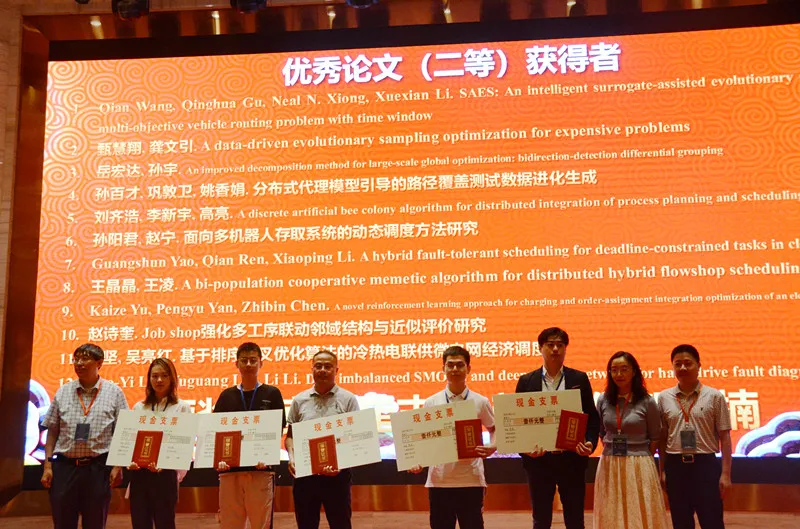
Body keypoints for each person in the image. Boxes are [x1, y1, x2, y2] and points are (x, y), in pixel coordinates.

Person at [515, 327, 600, 529]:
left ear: (565, 349)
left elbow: (592, 417)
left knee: (575, 519)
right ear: (540, 348)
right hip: (539, 461)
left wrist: (589, 442)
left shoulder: (579, 379)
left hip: (571, 460)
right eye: (550, 345)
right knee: (541, 520)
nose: (555, 349)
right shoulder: (526, 381)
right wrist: (525, 449)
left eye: (560, 345)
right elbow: (517, 422)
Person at [40, 343, 128, 529]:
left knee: (95, 523)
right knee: (63, 523)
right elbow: (52, 431)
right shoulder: (63, 391)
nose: (79, 363)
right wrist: (47, 466)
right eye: (76, 359)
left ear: (99, 363)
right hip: (64, 468)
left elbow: (123, 433)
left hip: (98, 468)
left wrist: (117, 466)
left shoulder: (114, 393)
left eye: (85, 359)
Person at [409, 345, 496, 529]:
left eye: (460, 365)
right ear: (443, 368)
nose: (455, 369)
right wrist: (416, 460)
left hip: (471, 479)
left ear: (468, 368)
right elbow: (421, 439)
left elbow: (495, 429)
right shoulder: (431, 402)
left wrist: (492, 446)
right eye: (450, 365)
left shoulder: (480, 401)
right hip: (439, 481)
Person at [213, 342, 286, 529]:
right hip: (230, 473)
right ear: (236, 364)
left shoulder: (272, 393)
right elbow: (215, 431)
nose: (248, 364)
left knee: (261, 524)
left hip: (261, 471)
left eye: (253, 360)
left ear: (261, 363)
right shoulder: (226, 396)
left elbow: (277, 429)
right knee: (230, 524)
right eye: (244, 360)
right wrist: (220, 458)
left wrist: (267, 454)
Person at [658, 344, 732, 529]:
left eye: (688, 363)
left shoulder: (714, 397)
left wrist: (725, 474)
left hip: (705, 466)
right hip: (675, 466)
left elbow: (725, 437)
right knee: (681, 522)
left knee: (712, 521)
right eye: (678, 364)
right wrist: (662, 471)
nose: (682, 368)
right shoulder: (664, 397)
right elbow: (663, 438)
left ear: (699, 365)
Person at [593, 351, 669, 529]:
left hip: (639, 464)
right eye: (614, 370)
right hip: (610, 464)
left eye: (624, 369)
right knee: (612, 512)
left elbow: (655, 437)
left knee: (639, 512)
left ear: (634, 372)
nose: (618, 374)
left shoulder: (647, 401)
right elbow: (601, 432)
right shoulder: (603, 400)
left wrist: (641, 455)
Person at [285, 350, 360, 529]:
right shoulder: (299, 400)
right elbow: (290, 437)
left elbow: (355, 437)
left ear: (336, 370)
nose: (323, 370)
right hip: (305, 476)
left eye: (328, 366)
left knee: (341, 524)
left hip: (337, 476)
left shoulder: (348, 399)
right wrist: (292, 458)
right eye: (318, 366)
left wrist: (341, 464)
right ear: (312, 369)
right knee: (306, 524)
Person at [128, 358, 193, 529]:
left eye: (164, 375)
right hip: (139, 475)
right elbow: (130, 441)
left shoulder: (181, 408)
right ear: (148, 379)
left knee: (165, 523)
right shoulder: (139, 408)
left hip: (165, 476)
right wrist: (130, 460)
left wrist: (167, 465)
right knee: (140, 524)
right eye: (154, 376)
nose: (159, 380)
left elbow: (184, 447)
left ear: (172, 378)